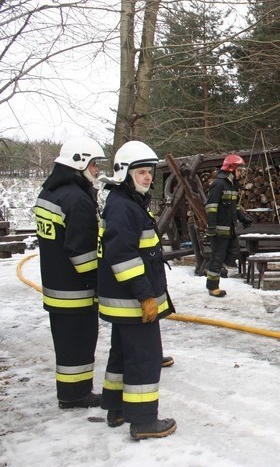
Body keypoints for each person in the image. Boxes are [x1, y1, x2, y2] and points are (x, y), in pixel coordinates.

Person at [97, 140, 176, 439]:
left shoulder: (125, 203)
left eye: (149, 172)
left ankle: (116, 408)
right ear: (124, 174)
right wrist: (146, 296)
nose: (148, 178)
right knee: (145, 357)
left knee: (122, 353)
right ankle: (143, 421)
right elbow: (123, 258)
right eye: (141, 172)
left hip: (123, 301)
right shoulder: (123, 207)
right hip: (131, 300)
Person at [34, 137, 106, 409]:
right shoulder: (77, 201)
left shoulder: (50, 193)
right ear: (80, 163)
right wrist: (98, 283)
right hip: (76, 291)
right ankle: (76, 395)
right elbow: (82, 253)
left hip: (55, 286)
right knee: (79, 343)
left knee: (65, 344)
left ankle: (69, 391)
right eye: (94, 164)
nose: (96, 170)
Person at [204, 154, 253, 297]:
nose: (241, 173)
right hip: (219, 230)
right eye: (239, 169)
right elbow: (211, 207)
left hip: (230, 229)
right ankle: (213, 287)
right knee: (218, 258)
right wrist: (211, 227)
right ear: (231, 169)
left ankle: (211, 268)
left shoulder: (232, 186)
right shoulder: (218, 184)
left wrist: (244, 219)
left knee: (234, 252)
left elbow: (235, 208)